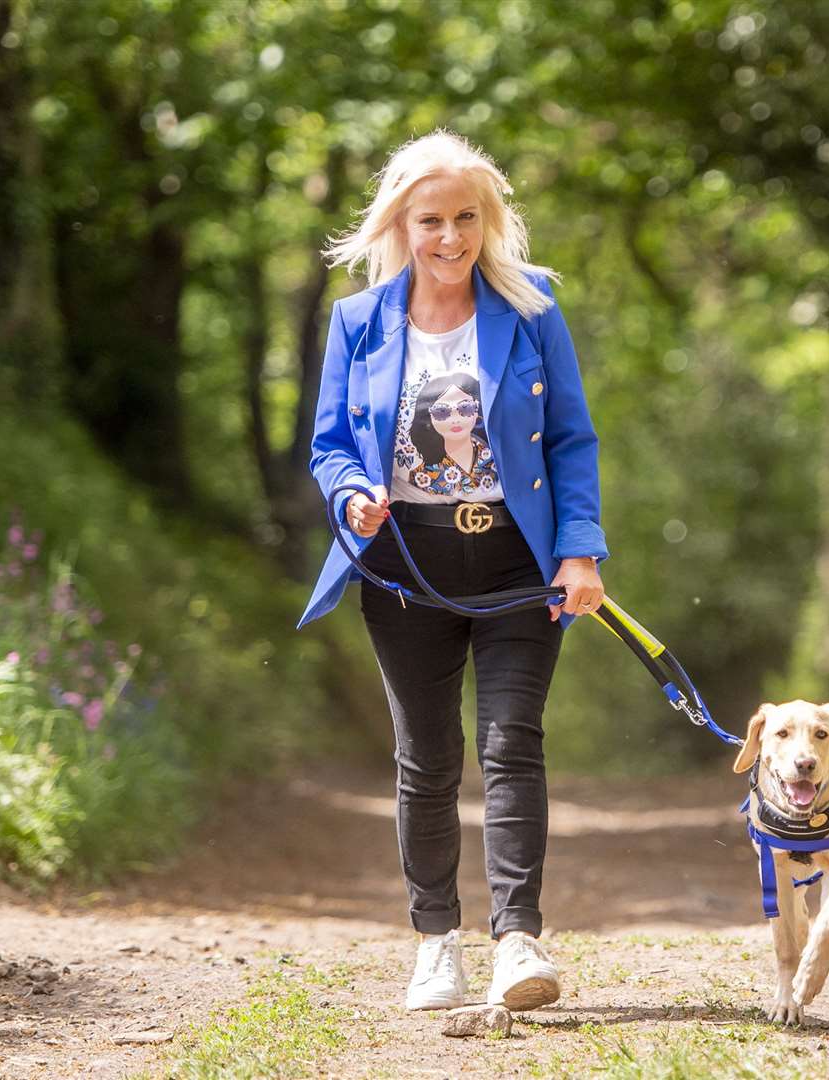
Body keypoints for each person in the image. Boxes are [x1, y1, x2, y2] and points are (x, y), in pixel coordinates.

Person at [297, 130, 608, 1013]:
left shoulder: (533, 305)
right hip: (404, 565)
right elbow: (328, 446)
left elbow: (572, 440)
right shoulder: (357, 322)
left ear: (489, 217)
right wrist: (352, 490)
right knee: (426, 759)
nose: (449, 237)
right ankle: (437, 943)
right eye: (430, 219)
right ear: (401, 222)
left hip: (517, 559)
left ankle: (518, 940)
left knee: (512, 745)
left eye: (466, 217)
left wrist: (580, 548)